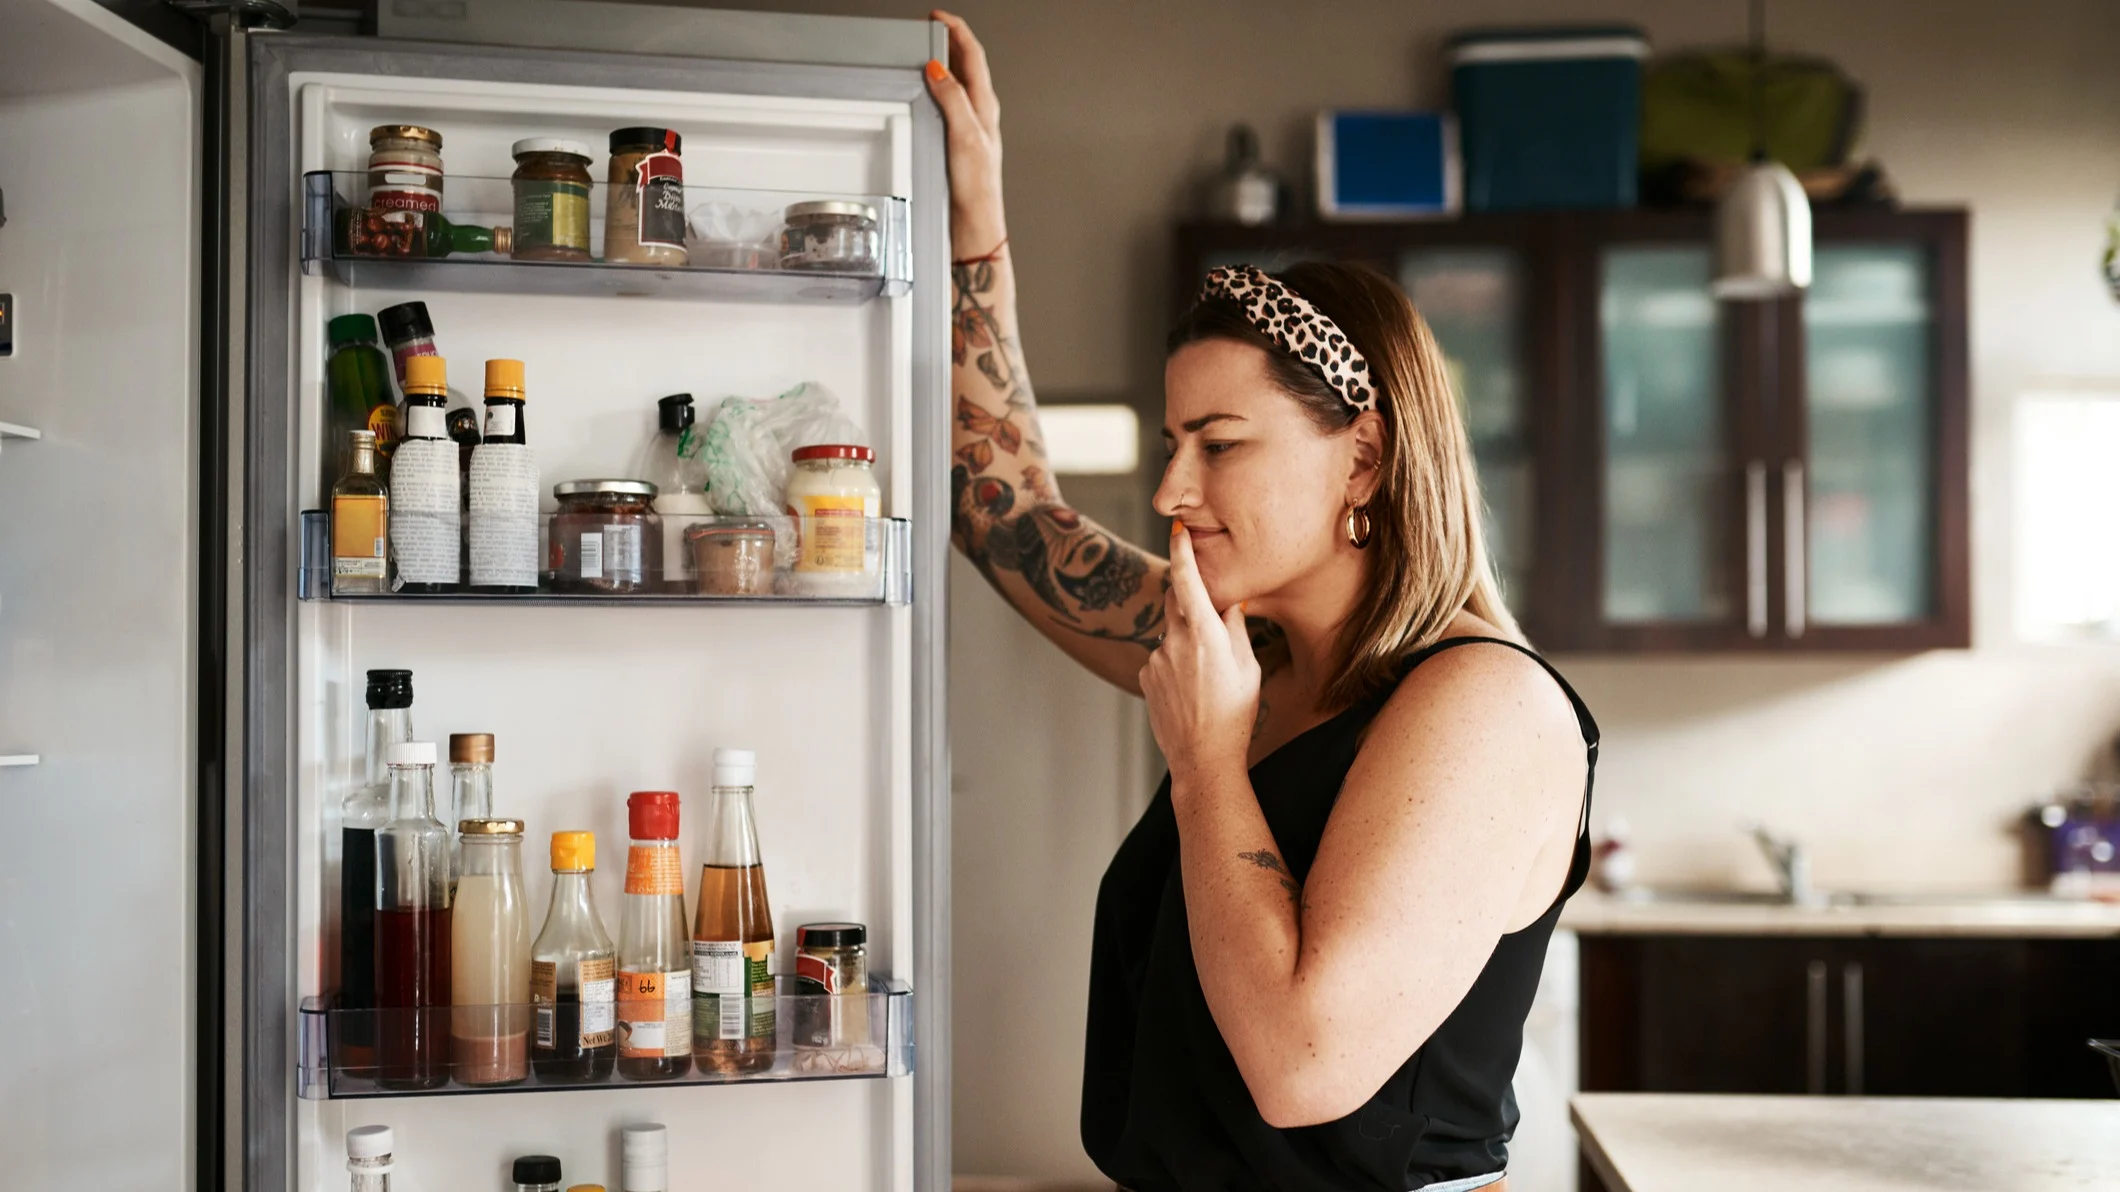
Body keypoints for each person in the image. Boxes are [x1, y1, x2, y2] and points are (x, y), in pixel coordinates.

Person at [926, 13, 1599, 1191]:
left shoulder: (1484, 706)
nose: (1169, 487)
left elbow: (1302, 1065)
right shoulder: (1250, 656)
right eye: (1173, 439)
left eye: (1219, 443)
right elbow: (1009, 519)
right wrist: (975, 225)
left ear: (1364, 461)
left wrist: (1206, 764)